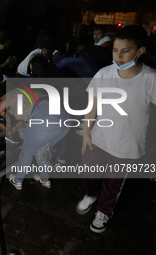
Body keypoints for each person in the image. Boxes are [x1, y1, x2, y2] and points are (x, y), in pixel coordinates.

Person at [77, 25, 156, 233]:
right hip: (99, 138)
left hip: (126, 147)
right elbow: (91, 105)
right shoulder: (104, 74)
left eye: (126, 51)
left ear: (141, 51)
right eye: (115, 50)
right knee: (88, 174)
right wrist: (86, 133)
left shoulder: (151, 79)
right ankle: (91, 195)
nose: (118, 56)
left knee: (113, 184)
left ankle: (104, 211)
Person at [0, 89, 70, 190]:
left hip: (45, 119)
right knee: (42, 149)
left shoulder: (8, 96)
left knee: (27, 151)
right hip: (65, 122)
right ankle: (44, 180)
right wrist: (13, 127)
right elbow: (20, 117)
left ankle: (18, 181)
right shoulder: (25, 95)